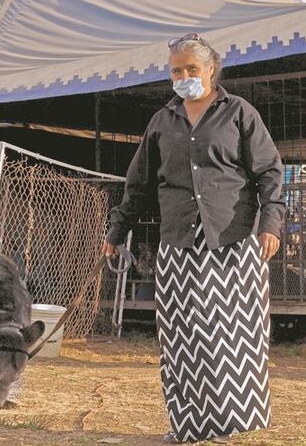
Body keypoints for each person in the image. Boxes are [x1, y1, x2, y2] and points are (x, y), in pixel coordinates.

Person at [102, 33, 284, 444]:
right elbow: (139, 183)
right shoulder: (162, 121)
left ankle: (236, 427)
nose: (183, 76)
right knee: (184, 340)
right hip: (178, 246)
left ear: (211, 69)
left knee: (232, 337)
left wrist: (270, 223)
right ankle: (187, 427)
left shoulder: (238, 113)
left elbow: (270, 173)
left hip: (233, 242)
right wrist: (117, 230)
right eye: (176, 70)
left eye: (191, 69)